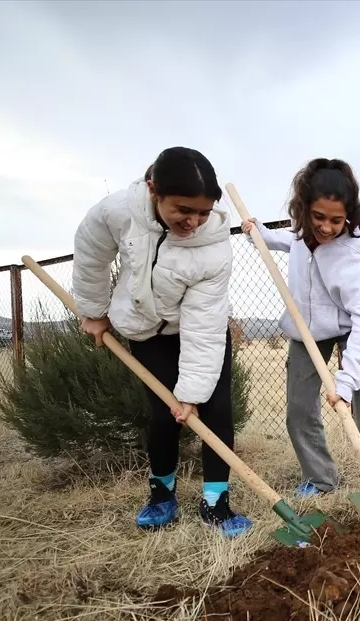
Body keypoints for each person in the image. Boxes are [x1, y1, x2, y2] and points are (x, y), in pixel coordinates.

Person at [72, 146, 253, 537]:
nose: (194, 221)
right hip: (144, 329)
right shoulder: (116, 212)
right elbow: (91, 256)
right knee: (162, 414)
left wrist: (191, 393)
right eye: (184, 210)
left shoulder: (214, 244)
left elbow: (203, 325)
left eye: (203, 212)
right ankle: (161, 494)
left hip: (198, 328)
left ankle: (216, 503)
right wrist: (93, 310)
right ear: (154, 190)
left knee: (215, 409)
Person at [241, 158, 360, 497]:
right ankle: (320, 479)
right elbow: (293, 242)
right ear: (304, 210)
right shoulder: (304, 235)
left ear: (349, 215)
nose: (327, 228)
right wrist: (261, 234)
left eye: (336, 219)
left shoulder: (353, 257)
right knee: (299, 411)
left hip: (351, 331)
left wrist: (346, 381)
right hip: (306, 331)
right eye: (318, 217)